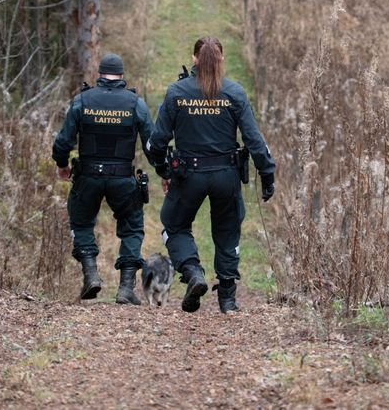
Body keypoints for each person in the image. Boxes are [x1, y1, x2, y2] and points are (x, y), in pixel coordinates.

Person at [147, 37, 275, 314]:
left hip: (188, 175)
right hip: (226, 175)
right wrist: (267, 173)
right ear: (221, 61)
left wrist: (163, 169)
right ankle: (227, 298)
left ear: (194, 59)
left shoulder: (176, 92)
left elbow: (157, 141)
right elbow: (254, 139)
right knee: (228, 231)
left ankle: (193, 272)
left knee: (174, 225)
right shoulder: (234, 93)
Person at [52, 53, 154, 305]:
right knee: (131, 227)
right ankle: (125, 288)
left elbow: (64, 139)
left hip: (87, 175)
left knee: (82, 222)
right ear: (121, 75)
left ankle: (91, 275)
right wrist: (164, 171)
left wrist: (62, 164)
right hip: (122, 177)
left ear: (100, 74)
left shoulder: (82, 100)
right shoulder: (135, 103)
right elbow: (153, 142)